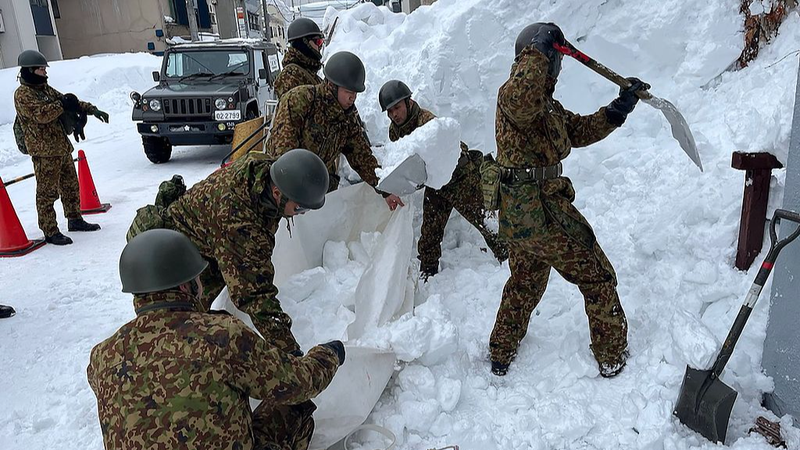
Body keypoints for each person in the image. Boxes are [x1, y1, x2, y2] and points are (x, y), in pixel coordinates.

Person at [87, 228, 344, 450]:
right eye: (199, 277)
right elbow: (299, 382)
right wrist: (329, 354)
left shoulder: (102, 356)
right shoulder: (222, 336)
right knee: (291, 407)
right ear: (186, 286)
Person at [488, 23, 648, 378]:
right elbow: (522, 99)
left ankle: (500, 351)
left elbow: (577, 130)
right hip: (540, 210)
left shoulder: (546, 106)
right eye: (550, 59)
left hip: (522, 215)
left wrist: (618, 109)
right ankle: (611, 354)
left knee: (525, 281)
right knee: (597, 275)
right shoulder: (514, 97)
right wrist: (537, 50)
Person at [127, 149, 330, 355]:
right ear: (277, 194)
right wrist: (292, 354)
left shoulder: (266, 171)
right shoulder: (240, 221)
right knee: (182, 325)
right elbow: (254, 295)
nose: (302, 214)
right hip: (177, 256)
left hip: (210, 238)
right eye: (299, 209)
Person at [378, 80, 508, 281]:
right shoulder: (395, 131)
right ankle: (428, 272)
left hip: (460, 177)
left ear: (408, 102)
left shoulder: (427, 121)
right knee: (430, 233)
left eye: (397, 107)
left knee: (486, 221)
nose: (394, 114)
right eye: (390, 111)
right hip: (436, 182)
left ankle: (511, 260)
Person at [266, 51, 405, 211]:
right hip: (282, 190)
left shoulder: (347, 118)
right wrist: (288, 198)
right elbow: (282, 154)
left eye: (355, 93)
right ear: (332, 86)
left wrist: (385, 190)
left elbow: (362, 157)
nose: (353, 98)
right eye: (348, 92)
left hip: (313, 191)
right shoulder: (300, 101)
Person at [13, 49, 109, 246]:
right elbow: (41, 115)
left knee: (70, 186)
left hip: (61, 147)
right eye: (41, 69)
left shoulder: (45, 89)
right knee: (47, 193)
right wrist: (62, 105)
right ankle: (50, 231)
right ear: (30, 70)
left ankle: (75, 219)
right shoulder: (23, 94)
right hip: (44, 152)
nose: (45, 72)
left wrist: (92, 109)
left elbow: (69, 101)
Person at [275, 18, 325, 100]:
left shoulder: (306, 70)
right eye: (318, 42)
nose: (319, 47)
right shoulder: (290, 76)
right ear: (304, 43)